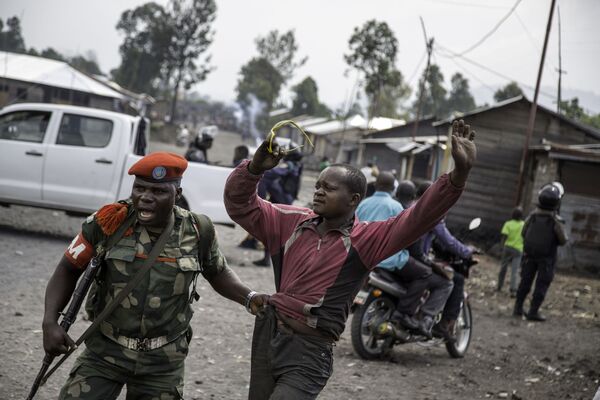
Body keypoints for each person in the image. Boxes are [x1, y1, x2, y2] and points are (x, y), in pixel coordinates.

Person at [224, 119, 476, 399]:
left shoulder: (366, 240)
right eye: (318, 185)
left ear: (354, 199)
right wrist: (254, 169)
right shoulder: (290, 222)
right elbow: (240, 205)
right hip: (268, 334)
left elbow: (418, 217)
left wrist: (459, 175)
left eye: (329, 188)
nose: (318, 191)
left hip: (309, 353)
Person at [42, 152, 269, 399]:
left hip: (163, 363)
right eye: (140, 188)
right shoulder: (108, 222)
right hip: (104, 352)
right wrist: (49, 321)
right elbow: (68, 267)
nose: (146, 198)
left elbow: (218, 272)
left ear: (177, 195)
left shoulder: (198, 230)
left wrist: (249, 297)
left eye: (158, 192)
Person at [356, 173, 453, 338]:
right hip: (390, 259)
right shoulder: (396, 207)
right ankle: (404, 314)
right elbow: (408, 237)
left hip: (362, 255)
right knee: (425, 273)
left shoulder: (362, 204)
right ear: (392, 188)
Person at [417, 181, 475, 341]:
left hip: (401, 256)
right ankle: (433, 320)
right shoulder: (432, 213)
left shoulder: (407, 207)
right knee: (452, 280)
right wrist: (466, 251)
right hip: (416, 259)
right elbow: (448, 241)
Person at [513, 183, 568, 322]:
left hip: (529, 256)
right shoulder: (555, 220)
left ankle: (518, 308)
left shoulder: (532, 216)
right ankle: (533, 312)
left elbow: (524, 233)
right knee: (541, 285)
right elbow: (563, 240)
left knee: (525, 282)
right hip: (547, 258)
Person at [497, 207, 525, 296]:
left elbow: (504, 236)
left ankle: (499, 286)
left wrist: (501, 247)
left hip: (508, 247)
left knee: (503, 267)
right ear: (521, 216)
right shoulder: (523, 225)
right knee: (515, 270)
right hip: (518, 249)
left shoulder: (508, 224)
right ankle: (513, 290)